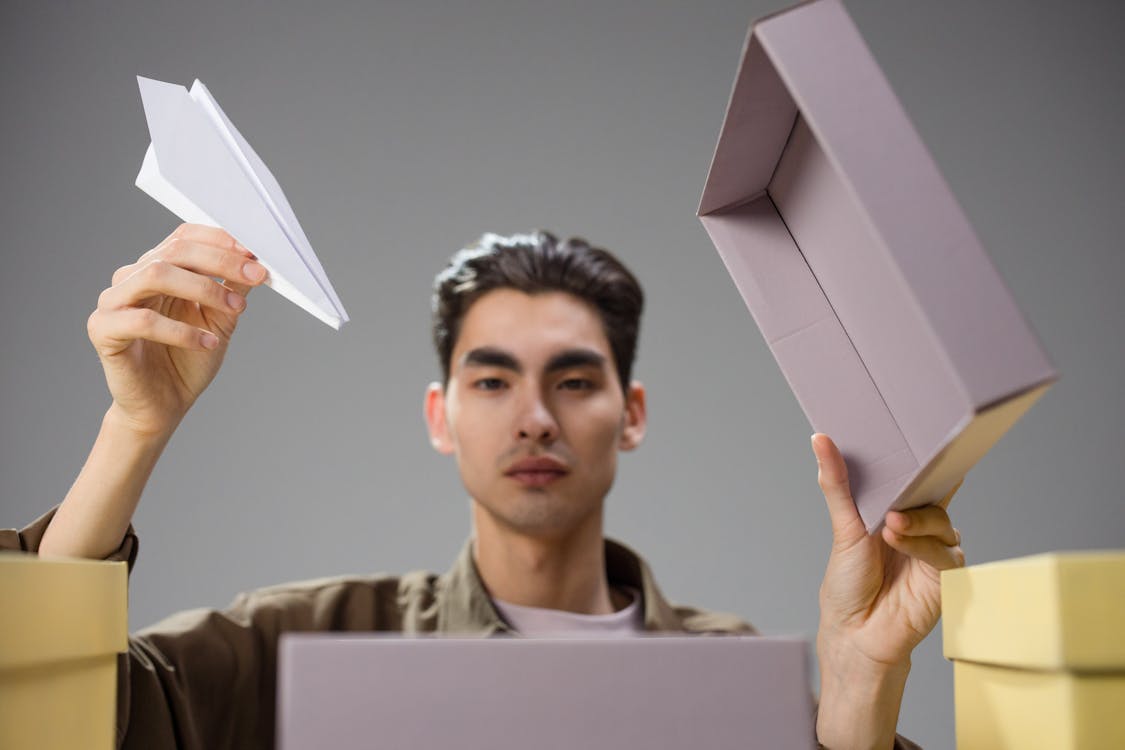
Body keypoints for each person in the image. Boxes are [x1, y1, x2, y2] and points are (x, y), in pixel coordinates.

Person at [4, 224, 963, 749]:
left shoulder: (741, 689)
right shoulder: (301, 645)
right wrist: (135, 428)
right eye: (493, 379)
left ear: (630, 414)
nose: (534, 415)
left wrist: (858, 685)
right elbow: (46, 712)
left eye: (575, 381)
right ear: (441, 415)